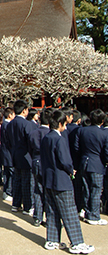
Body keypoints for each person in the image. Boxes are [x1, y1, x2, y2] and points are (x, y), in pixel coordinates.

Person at [41, 109, 94, 254]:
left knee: (52, 211)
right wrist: (71, 170)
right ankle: (77, 242)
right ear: (60, 124)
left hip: (49, 178)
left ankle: (52, 240)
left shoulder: (46, 137)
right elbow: (65, 160)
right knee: (69, 211)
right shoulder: (59, 139)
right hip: (61, 179)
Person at [74, 109, 108, 225]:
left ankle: (87, 211)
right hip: (97, 163)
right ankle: (94, 215)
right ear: (102, 121)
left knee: (86, 189)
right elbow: (106, 151)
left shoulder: (82, 130)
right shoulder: (104, 133)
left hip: (84, 161)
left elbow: (76, 147)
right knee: (96, 189)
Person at [6, 99, 37, 215]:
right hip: (26, 155)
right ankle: (27, 206)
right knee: (27, 181)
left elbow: (7, 140)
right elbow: (31, 141)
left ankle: (16, 203)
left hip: (15, 154)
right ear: (24, 111)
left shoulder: (10, 124)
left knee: (16, 179)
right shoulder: (27, 124)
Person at [28, 107, 52, 226]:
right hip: (47, 162)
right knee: (48, 191)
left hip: (36, 160)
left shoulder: (33, 133)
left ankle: (37, 216)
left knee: (37, 189)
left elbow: (30, 148)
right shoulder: (51, 133)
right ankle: (49, 217)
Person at [0, 107, 15, 201]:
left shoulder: (4, 124)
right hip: (8, 152)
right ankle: (9, 191)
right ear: (10, 115)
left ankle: (6, 191)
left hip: (5, 152)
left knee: (6, 173)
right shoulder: (7, 125)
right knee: (10, 173)